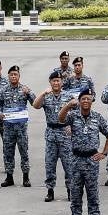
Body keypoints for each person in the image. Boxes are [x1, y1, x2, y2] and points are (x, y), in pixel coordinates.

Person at [58, 91, 108, 215]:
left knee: (92, 196)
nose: (85, 101)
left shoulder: (97, 117)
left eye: (88, 99)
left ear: (91, 102)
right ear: (80, 101)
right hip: (75, 160)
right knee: (75, 196)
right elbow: (61, 118)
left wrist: (104, 153)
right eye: (83, 99)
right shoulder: (73, 115)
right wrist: (69, 105)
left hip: (91, 160)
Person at [33, 71, 75, 202]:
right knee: (50, 164)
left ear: (61, 82)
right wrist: (43, 93)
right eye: (53, 81)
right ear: (50, 82)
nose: (56, 83)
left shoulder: (68, 96)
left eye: (58, 81)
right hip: (51, 133)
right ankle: (50, 190)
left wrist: (71, 126)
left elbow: (76, 112)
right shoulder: (47, 96)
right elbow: (35, 105)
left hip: (64, 133)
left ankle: (70, 190)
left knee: (68, 164)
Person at [0, 65, 35, 187]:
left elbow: (35, 102)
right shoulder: (4, 89)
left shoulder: (24, 89)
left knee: (24, 152)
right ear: (8, 76)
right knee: (8, 152)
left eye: (15, 74)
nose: (13, 76)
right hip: (8, 127)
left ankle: (26, 177)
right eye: (11, 74)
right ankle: (9, 177)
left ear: (19, 76)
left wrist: (29, 93)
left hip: (21, 128)